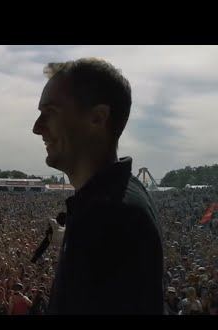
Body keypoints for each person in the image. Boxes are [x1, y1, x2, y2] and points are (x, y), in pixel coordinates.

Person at [32, 58, 164, 314]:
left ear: (97, 118)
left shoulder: (108, 217)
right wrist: (70, 240)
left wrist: (84, 238)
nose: (37, 128)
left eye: (49, 113)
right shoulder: (122, 195)